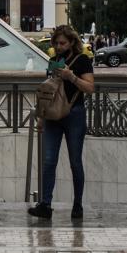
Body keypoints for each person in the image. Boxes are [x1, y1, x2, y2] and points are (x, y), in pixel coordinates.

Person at [28, 25, 94, 220]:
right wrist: (41, 118)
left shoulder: (82, 60)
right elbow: (49, 92)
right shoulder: (53, 60)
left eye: (62, 43)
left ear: (72, 42)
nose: (58, 46)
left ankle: (78, 204)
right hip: (53, 116)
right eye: (56, 43)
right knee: (48, 161)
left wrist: (71, 76)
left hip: (74, 114)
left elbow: (90, 88)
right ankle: (45, 204)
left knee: (75, 161)